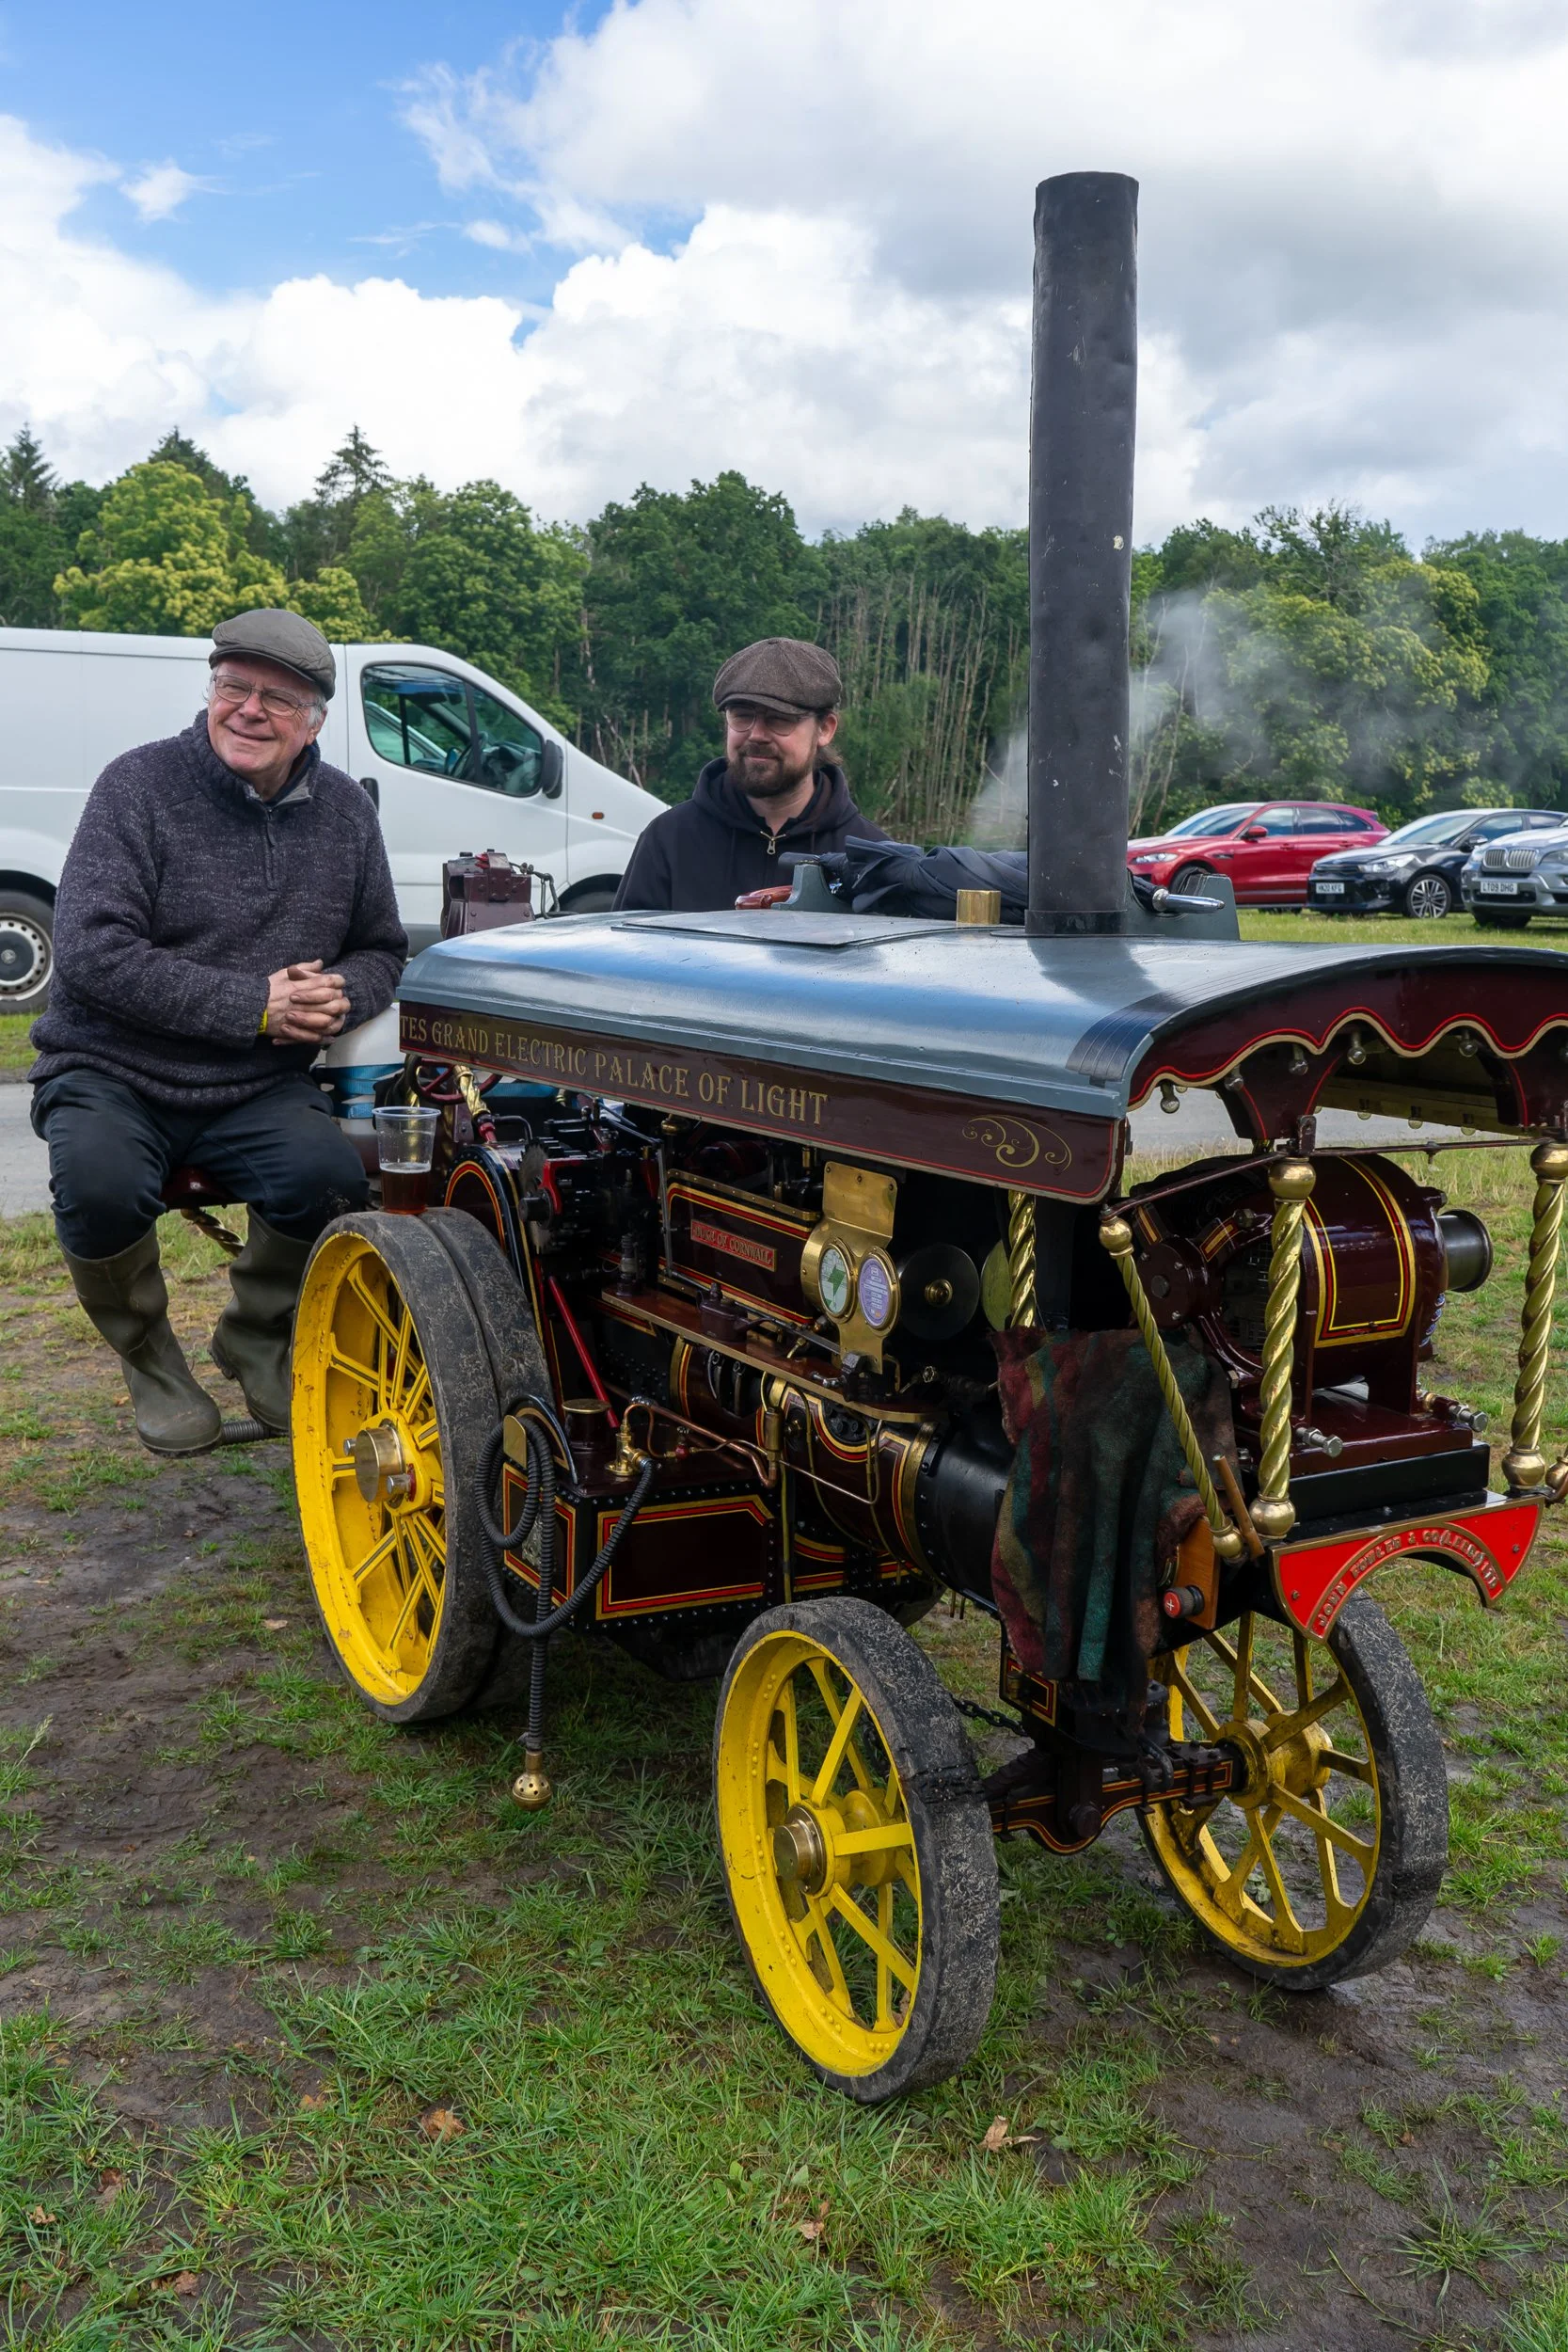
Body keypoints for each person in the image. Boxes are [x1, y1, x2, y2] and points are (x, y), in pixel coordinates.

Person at [29, 609, 406, 1454]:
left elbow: (381, 945)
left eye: (277, 697)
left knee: (328, 1177)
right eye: (232, 686)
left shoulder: (345, 810)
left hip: (255, 1081)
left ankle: (256, 1337)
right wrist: (252, 1005)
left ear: (314, 721)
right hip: (109, 1067)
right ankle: (152, 1361)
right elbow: (89, 953)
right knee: (97, 1185)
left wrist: (341, 993)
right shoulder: (137, 785)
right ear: (211, 691)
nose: (248, 709)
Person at [612, 638, 887, 912]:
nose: (756, 735)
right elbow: (629, 953)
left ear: (825, 729)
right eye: (742, 716)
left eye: (779, 719)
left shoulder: (870, 859)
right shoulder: (669, 840)